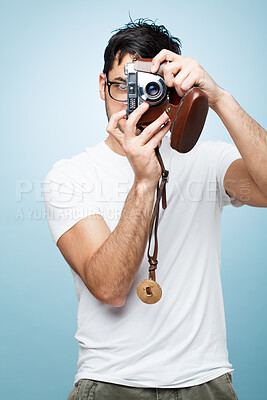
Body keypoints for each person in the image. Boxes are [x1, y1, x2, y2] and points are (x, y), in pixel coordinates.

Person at [44, 18, 267, 400]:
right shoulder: (70, 175)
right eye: (124, 86)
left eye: (152, 88)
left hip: (205, 379)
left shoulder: (207, 159)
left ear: (173, 89)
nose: (138, 100)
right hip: (112, 381)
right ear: (103, 86)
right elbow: (110, 287)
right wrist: (144, 181)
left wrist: (218, 98)